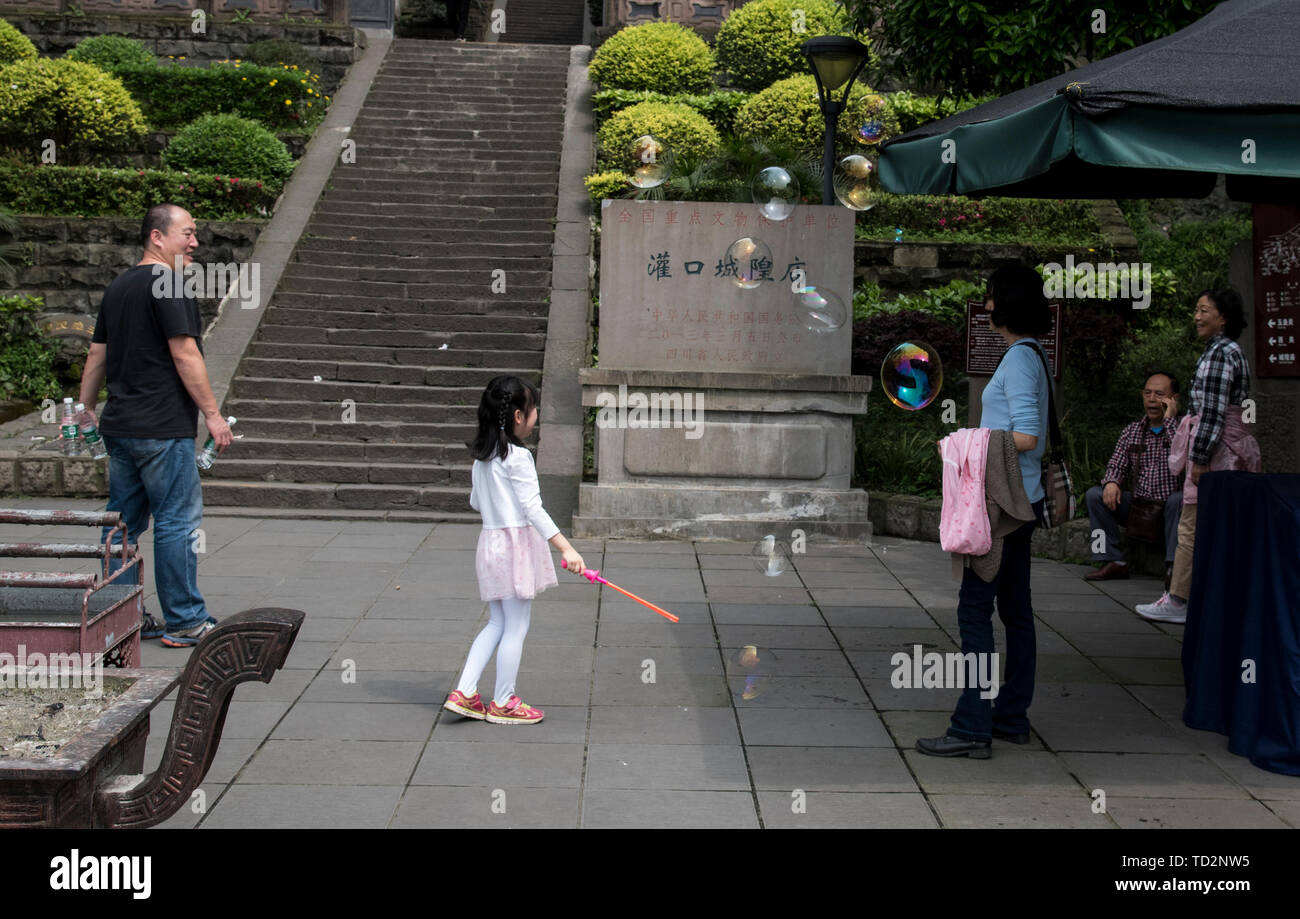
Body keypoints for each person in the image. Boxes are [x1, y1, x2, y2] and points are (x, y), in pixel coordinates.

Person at [78, 204, 233, 648]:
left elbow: (96, 356)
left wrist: (87, 408)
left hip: (121, 426)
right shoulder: (168, 282)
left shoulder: (119, 286)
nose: (195, 242)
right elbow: (185, 354)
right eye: (187, 232)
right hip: (162, 427)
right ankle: (185, 621)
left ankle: (119, 615)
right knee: (176, 522)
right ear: (156, 237)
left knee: (121, 523)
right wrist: (213, 415)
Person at [917, 264, 1052, 759]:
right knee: (1016, 612)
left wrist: (961, 443)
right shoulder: (1032, 354)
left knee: (975, 611)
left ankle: (972, 725)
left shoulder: (1019, 359)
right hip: (1023, 500)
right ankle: (1011, 716)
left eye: (991, 296)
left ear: (1006, 302)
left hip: (1001, 506)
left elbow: (1027, 437)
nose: (985, 304)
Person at [444, 375, 585, 725]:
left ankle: (465, 691)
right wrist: (567, 549)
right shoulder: (519, 458)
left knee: (496, 622)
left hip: (490, 543)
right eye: (534, 409)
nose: (536, 415)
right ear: (519, 416)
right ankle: (504, 701)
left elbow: (476, 502)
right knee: (516, 627)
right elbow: (533, 508)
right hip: (516, 548)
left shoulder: (482, 458)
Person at [1135, 288, 1261, 624]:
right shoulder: (1226, 351)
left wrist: (1201, 456)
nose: (1197, 316)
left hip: (1219, 452)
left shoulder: (1221, 354)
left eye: (1204, 310)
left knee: (1191, 526)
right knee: (1219, 526)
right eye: (1196, 309)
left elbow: (1214, 412)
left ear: (1223, 317)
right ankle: (1213, 599)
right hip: (1229, 449)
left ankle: (1179, 599)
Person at [1084, 372, 1184, 582]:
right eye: (1147, 393)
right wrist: (1111, 482)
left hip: (1170, 509)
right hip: (1139, 507)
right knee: (1095, 495)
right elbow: (1116, 465)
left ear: (1174, 398)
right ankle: (1110, 559)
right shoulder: (1132, 431)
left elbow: (1185, 459)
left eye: (1159, 394)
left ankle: (1174, 568)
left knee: (1179, 500)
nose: (1152, 399)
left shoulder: (1185, 428)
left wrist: (1170, 421)